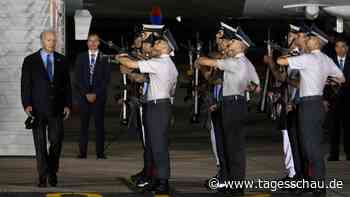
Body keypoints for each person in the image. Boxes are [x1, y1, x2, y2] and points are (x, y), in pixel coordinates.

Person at [277, 24, 345, 197]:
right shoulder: (326, 59)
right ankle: (317, 185)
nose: (305, 40)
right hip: (317, 103)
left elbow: (280, 61)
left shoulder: (308, 58)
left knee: (310, 149)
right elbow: (341, 77)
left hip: (308, 105)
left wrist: (293, 53)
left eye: (308, 38)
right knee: (313, 147)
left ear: (316, 41)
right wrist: (324, 80)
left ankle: (318, 187)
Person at [196, 24, 260, 195]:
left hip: (233, 104)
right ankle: (232, 184)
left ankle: (236, 187)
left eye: (233, 42)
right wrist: (247, 87)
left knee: (234, 149)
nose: (229, 44)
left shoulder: (236, 61)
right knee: (228, 147)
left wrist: (200, 60)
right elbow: (257, 87)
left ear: (241, 45)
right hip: (232, 103)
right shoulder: (247, 63)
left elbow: (209, 62)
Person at [116, 34, 178, 195]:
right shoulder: (168, 64)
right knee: (153, 145)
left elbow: (130, 63)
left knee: (158, 146)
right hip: (160, 105)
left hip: (158, 106)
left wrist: (119, 57)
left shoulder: (159, 62)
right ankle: (157, 180)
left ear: (166, 48)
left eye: (158, 43)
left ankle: (162, 182)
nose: (154, 44)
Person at [21, 30, 72, 187]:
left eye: (54, 40)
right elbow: (25, 85)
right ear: (42, 41)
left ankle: (52, 170)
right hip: (37, 108)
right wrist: (27, 104)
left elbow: (66, 85)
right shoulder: (30, 60)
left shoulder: (62, 60)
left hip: (56, 108)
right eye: (49, 40)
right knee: (40, 144)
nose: (52, 43)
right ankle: (43, 175)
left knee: (56, 141)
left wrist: (67, 104)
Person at [75, 33, 111, 159]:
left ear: (99, 43)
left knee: (99, 126)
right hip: (84, 97)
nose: (93, 43)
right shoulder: (81, 57)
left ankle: (100, 153)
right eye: (90, 41)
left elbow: (106, 79)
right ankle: (82, 152)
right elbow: (77, 79)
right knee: (83, 125)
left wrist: (95, 93)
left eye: (95, 41)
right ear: (87, 43)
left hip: (99, 97)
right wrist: (86, 94)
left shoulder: (104, 57)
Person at [327, 37, 350, 161]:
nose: (339, 49)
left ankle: (349, 153)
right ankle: (333, 154)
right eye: (337, 46)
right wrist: (325, 98)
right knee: (333, 129)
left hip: (348, 100)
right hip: (333, 100)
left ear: (347, 48)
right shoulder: (330, 62)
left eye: (342, 46)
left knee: (348, 128)